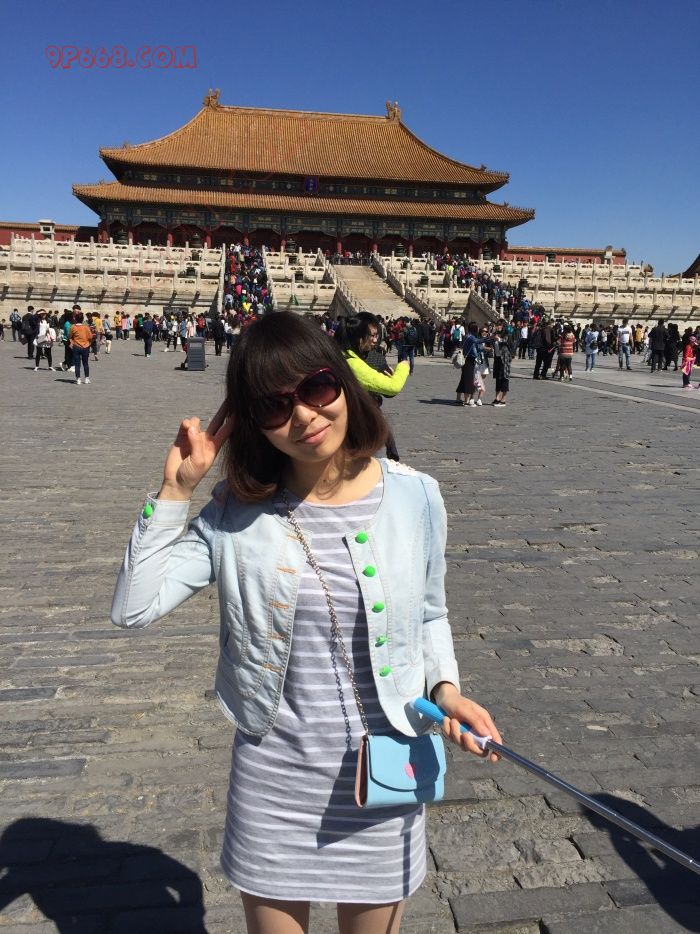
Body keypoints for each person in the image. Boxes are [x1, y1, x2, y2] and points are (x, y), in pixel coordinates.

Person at [110, 312, 501, 934]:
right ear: (252, 422)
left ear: (342, 381)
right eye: (274, 405)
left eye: (317, 387)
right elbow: (134, 607)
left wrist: (446, 691)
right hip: (276, 782)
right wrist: (177, 490)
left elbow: (430, 613)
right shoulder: (235, 513)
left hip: (386, 773)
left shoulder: (416, 496)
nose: (303, 416)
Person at [334, 311, 409, 462]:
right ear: (359, 337)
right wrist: (403, 366)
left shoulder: (342, 354)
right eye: (372, 335)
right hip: (353, 421)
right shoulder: (351, 362)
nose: (375, 340)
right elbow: (392, 387)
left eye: (377, 335)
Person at [68, 310, 93, 385]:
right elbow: (90, 337)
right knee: (85, 363)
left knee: (77, 364)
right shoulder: (86, 327)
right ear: (82, 319)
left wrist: (72, 343)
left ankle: (78, 379)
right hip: (85, 346)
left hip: (76, 346)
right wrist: (89, 343)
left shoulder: (73, 327)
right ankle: (87, 378)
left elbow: (70, 336)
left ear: (75, 319)